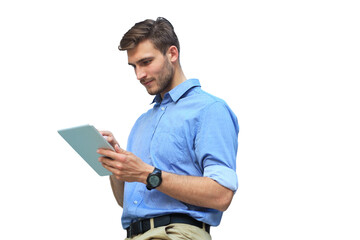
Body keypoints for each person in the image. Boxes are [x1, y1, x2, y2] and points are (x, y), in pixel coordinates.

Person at [97, 17, 239, 240]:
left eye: (146, 62)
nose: (139, 75)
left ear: (172, 54)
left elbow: (221, 195)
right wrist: (118, 168)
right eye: (134, 66)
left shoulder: (210, 110)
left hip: (176, 234)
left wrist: (147, 174)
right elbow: (126, 202)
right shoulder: (142, 123)